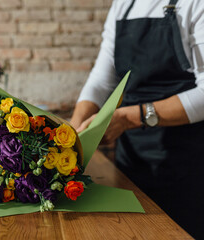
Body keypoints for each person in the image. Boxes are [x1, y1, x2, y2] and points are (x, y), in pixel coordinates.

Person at [70, 0, 204, 239]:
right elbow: (102, 81)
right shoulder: (124, 4)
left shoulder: (195, 4)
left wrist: (130, 117)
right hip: (131, 161)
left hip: (188, 162)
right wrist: (73, 129)